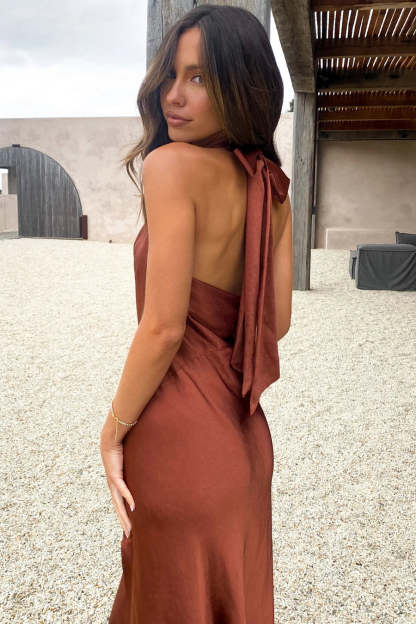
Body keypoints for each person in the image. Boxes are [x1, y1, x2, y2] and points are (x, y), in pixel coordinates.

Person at [100, 4, 292, 623]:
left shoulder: (170, 166)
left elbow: (162, 328)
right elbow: (276, 322)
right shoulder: (273, 188)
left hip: (178, 443)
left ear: (243, 86)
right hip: (245, 447)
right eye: (172, 75)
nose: (173, 96)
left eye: (200, 78)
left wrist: (113, 429)